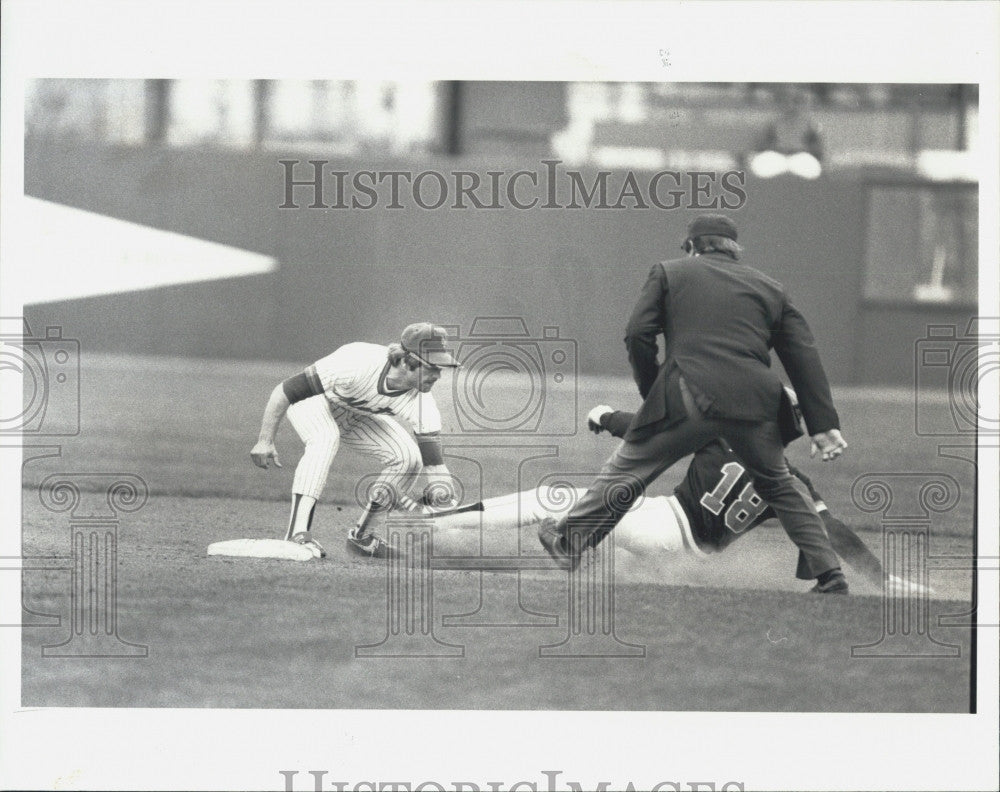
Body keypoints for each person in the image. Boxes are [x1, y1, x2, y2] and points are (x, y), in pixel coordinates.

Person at [537, 214, 851, 593]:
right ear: (734, 251)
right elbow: (803, 355)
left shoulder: (670, 272)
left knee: (629, 469)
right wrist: (823, 425)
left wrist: (654, 390)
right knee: (778, 484)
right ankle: (830, 575)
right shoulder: (772, 289)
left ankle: (569, 541)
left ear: (692, 246)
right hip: (757, 401)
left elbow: (638, 334)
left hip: (690, 391)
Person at [250, 322, 460, 558]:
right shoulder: (358, 361)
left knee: (409, 459)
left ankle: (362, 538)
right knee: (325, 438)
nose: (438, 375)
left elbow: (434, 464)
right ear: (407, 360)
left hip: (358, 414)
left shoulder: (423, 402)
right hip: (315, 402)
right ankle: (296, 535)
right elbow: (285, 390)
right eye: (432, 367)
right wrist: (265, 440)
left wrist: (444, 499)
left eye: (441, 368)